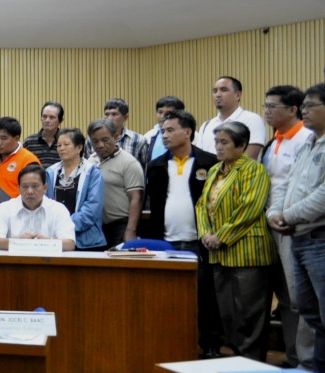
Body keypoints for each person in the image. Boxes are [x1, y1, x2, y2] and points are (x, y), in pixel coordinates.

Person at [145, 110, 223, 358]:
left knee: (205, 297)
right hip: (165, 242)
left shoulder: (209, 162)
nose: (164, 135)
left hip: (198, 241)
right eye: (162, 131)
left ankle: (210, 345)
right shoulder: (156, 165)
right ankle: (170, 342)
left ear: (187, 132)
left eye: (170, 130)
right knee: (167, 298)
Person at [196, 121, 276, 361]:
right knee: (228, 312)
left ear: (241, 145)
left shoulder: (254, 169)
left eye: (224, 143)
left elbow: (250, 208)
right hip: (218, 252)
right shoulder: (214, 170)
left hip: (248, 251)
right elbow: (202, 205)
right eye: (216, 142)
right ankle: (237, 358)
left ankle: (252, 361)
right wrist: (205, 234)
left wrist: (221, 235)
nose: (218, 147)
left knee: (250, 312)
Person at [268, 82, 325, 371]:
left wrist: (287, 216)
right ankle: (310, 364)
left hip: (318, 239)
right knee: (308, 311)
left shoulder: (313, 141)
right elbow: (287, 184)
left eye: (311, 106)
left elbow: (323, 196)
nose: (305, 111)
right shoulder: (310, 143)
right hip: (298, 237)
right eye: (303, 107)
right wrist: (275, 213)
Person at [0, 116, 41, 247]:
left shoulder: (28, 160)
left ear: (17, 138)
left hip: (19, 225)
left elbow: (35, 196)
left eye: (3, 138)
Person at [0, 164, 76, 251]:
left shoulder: (58, 209)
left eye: (35, 186)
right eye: (25, 187)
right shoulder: (4, 208)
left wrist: (47, 242)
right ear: (18, 188)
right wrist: (20, 242)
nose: (30, 191)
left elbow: (69, 244)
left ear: (45, 188)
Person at [44, 128, 105, 250]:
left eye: (66, 144)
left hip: (86, 240)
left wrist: (65, 226)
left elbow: (92, 209)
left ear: (79, 148)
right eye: (59, 145)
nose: (61, 148)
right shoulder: (50, 172)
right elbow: (46, 204)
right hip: (55, 238)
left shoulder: (92, 172)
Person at [87, 118, 144, 248]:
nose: (100, 145)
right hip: (96, 227)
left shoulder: (129, 163)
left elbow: (136, 198)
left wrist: (130, 231)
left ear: (115, 137)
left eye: (105, 140)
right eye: (95, 141)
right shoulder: (90, 161)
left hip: (120, 227)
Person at [195, 76, 267, 159]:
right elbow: (200, 157)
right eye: (215, 91)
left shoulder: (252, 120)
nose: (218, 94)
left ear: (238, 95)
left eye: (224, 90)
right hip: (210, 172)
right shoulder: (206, 125)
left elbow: (249, 158)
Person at [84, 98, 151, 170]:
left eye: (114, 114)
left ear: (125, 118)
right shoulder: (92, 141)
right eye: (107, 114)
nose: (109, 118)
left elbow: (146, 169)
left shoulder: (138, 140)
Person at [144, 96, 186, 162]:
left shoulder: (190, 135)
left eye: (168, 113)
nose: (162, 116)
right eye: (160, 112)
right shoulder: (149, 136)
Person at [24, 101, 65, 168]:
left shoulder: (66, 141)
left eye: (52, 117)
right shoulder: (29, 142)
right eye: (44, 117)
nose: (47, 120)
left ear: (60, 120)